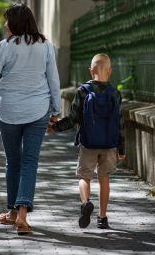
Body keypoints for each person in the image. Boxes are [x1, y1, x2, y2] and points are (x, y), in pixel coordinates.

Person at [0, 3, 61, 235]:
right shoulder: (45, 46)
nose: (5, 24)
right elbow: (53, 80)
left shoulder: (5, 47)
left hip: (9, 112)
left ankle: (14, 213)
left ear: (16, 22)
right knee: (29, 162)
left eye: (7, 20)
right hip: (38, 111)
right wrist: (56, 111)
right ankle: (21, 215)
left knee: (13, 162)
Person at [47, 53, 125, 229]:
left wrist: (55, 127)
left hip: (88, 142)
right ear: (110, 72)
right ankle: (102, 218)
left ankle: (85, 203)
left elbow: (73, 118)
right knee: (104, 179)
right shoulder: (116, 93)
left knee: (84, 177)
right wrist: (121, 148)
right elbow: (120, 123)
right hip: (109, 145)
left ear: (91, 71)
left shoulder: (83, 91)